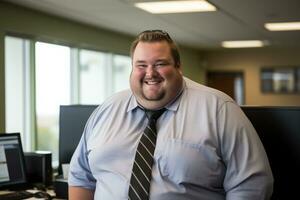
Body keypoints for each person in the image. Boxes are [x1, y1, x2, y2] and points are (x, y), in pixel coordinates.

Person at [68, 30, 273, 200]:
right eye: (141, 65)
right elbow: (80, 177)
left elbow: (251, 186)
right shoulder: (107, 110)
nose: (150, 73)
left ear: (178, 67)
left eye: (160, 64)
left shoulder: (219, 109)